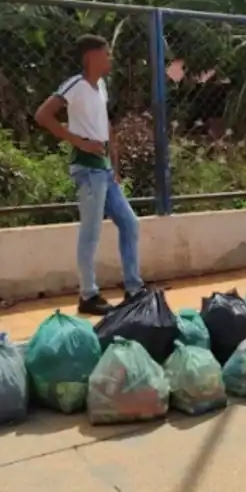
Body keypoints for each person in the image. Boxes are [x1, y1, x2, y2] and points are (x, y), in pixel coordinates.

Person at [35, 34, 143, 315]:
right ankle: (88, 295)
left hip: (103, 169)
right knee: (91, 233)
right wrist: (79, 142)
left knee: (130, 224)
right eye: (106, 54)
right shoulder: (76, 85)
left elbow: (104, 124)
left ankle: (133, 288)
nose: (110, 58)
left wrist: (114, 163)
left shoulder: (101, 87)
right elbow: (43, 115)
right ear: (91, 57)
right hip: (87, 168)